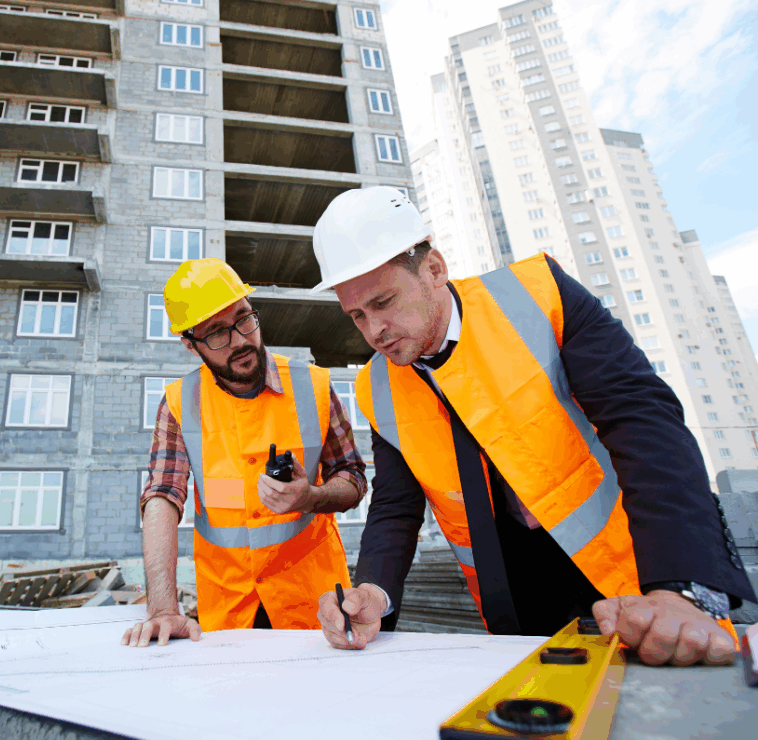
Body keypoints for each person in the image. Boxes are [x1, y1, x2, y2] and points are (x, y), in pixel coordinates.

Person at [310, 186, 755, 666]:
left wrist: (679, 584)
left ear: (434, 270)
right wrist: (374, 591)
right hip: (514, 599)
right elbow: (396, 506)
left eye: (384, 302)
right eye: (356, 315)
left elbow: (641, 420)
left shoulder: (539, 295)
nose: (373, 330)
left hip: (631, 574)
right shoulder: (377, 386)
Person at [121, 258, 367, 647]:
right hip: (229, 611)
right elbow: (162, 498)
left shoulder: (314, 387)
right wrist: (163, 608)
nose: (240, 340)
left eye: (243, 319)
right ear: (190, 344)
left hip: (316, 608)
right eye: (217, 333)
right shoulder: (179, 403)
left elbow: (353, 478)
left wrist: (313, 497)